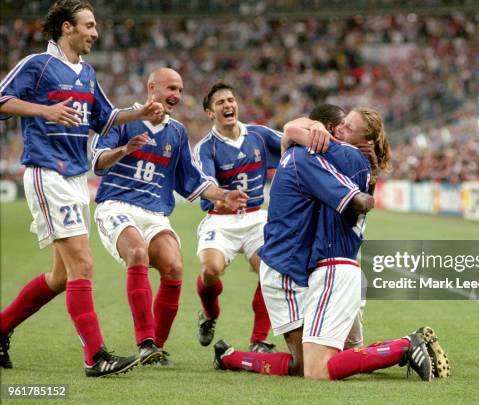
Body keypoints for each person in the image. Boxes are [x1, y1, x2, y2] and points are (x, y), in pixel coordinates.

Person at [213, 106, 450, 381]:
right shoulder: (342, 158)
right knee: (342, 358)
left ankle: (405, 347)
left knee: (312, 368)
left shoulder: (339, 155)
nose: (339, 131)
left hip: (318, 269)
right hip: (336, 268)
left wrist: (296, 130)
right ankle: (229, 357)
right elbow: (293, 131)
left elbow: (356, 200)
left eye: (347, 127)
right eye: (338, 126)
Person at [0, 0, 165, 377]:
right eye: (88, 25)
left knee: (61, 276)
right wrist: (44, 110)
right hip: (48, 172)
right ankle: (96, 357)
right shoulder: (37, 66)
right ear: (66, 28)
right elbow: (2, 98)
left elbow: (106, 118)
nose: (95, 32)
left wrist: (141, 112)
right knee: (83, 266)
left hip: (76, 178)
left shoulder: (87, 73)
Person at [92, 68, 248, 366]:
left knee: (175, 267)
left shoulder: (176, 132)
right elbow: (97, 161)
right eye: (171, 88)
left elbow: (191, 179)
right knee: (137, 253)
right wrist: (124, 149)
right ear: (152, 88)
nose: (176, 95)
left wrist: (223, 196)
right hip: (116, 205)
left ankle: (155, 349)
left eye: (179, 89)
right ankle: (145, 341)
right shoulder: (122, 119)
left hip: (154, 213)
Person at [192, 82, 328, 353]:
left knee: (270, 269)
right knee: (210, 271)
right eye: (220, 103)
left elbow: (292, 142)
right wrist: (222, 198)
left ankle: (258, 340)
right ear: (210, 112)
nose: (228, 105)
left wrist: (317, 129)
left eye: (231, 100)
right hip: (220, 219)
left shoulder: (258, 134)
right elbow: (204, 187)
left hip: (255, 217)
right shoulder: (206, 148)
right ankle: (209, 315)